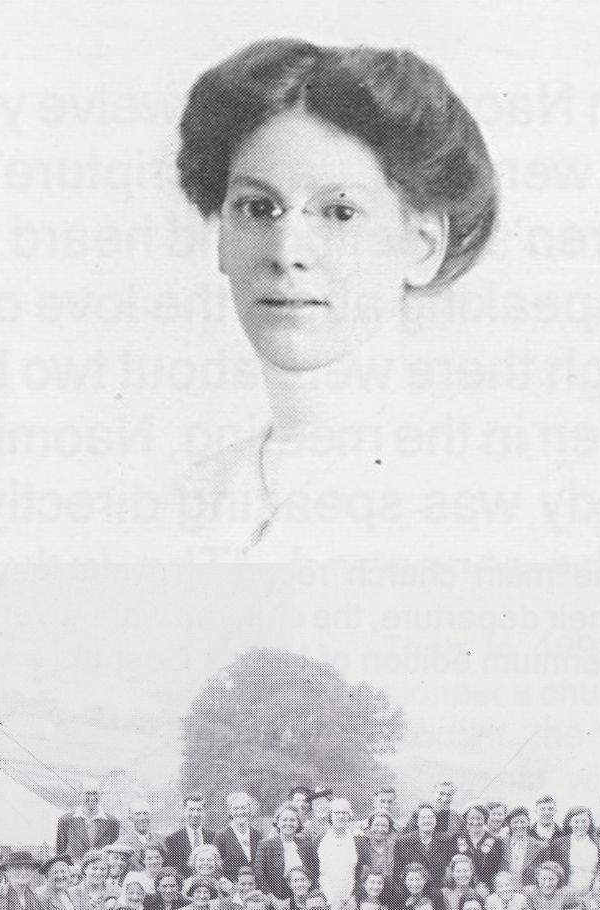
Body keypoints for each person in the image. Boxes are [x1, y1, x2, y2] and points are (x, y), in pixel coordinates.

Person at [174, 39, 500, 561]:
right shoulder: (188, 501)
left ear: (422, 245)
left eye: (340, 213)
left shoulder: (476, 494)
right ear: (222, 240)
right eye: (258, 208)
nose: (287, 252)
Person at [254, 807, 316, 904]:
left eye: (292, 820)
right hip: (275, 900)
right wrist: (274, 901)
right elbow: (259, 874)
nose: (288, 823)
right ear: (278, 822)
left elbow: (312, 872)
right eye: (284, 820)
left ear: (298, 823)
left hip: (302, 898)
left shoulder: (306, 845)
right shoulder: (265, 845)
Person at [54, 785, 119, 864]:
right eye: (87, 793)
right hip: (74, 872)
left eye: (95, 793)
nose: (92, 798)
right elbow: (60, 852)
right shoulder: (65, 820)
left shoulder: (112, 821)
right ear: (80, 795)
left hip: (100, 872)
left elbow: (112, 850)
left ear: (101, 795)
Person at [162, 798, 215, 877]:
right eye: (191, 809)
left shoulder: (214, 837)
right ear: (184, 811)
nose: (195, 814)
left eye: (199, 810)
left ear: (204, 812)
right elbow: (171, 870)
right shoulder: (172, 840)